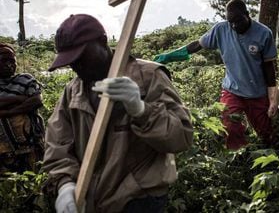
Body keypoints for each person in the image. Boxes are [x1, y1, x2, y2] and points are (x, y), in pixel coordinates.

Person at [42, 14, 193, 213]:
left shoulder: (148, 76)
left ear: (103, 42)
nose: (75, 66)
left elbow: (180, 138)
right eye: (70, 61)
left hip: (139, 200)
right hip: (90, 201)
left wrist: (140, 110)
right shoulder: (73, 91)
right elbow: (57, 145)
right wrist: (65, 184)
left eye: (80, 56)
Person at [155, 0, 278, 150]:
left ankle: (269, 158)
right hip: (233, 90)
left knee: (265, 132)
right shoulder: (221, 29)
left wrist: (273, 99)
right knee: (230, 127)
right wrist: (172, 55)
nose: (234, 26)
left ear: (247, 14)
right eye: (230, 22)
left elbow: (269, 68)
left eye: (238, 21)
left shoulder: (264, 33)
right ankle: (238, 157)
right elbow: (198, 44)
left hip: (257, 93)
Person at [0, 43, 45, 174]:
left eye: (12, 61)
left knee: (33, 182)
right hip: (2, 151)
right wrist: (19, 99)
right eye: (4, 60)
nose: (9, 64)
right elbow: (30, 100)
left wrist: (7, 112)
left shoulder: (25, 79)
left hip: (29, 146)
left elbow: (36, 101)